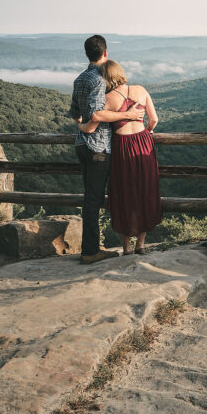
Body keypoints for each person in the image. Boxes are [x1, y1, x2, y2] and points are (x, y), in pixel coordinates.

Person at [70, 35, 144, 263]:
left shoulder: (79, 79)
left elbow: (76, 113)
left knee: (90, 198)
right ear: (105, 53)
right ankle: (91, 252)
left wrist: (83, 127)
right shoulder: (99, 80)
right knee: (94, 200)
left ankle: (91, 248)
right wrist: (129, 115)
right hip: (98, 149)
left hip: (82, 145)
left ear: (87, 54)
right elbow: (97, 114)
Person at [77, 60, 162, 256]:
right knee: (145, 191)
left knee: (124, 194)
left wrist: (80, 125)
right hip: (144, 142)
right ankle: (141, 244)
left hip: (122, 146)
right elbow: (154, 120)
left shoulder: (107, 99)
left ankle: (126, 248)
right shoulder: (141, 89)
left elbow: (95, 119)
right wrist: (145, 133)